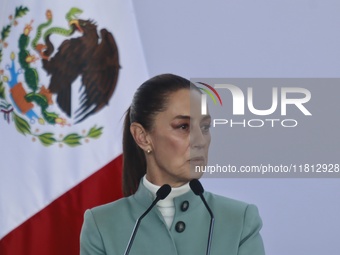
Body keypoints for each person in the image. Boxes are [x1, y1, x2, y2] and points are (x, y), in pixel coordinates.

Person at [80, 74, 265, 255]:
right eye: (183, 127)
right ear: (142, 137)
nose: (200, 141)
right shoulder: (101, 224)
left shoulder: (239, 220)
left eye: (205, 127)